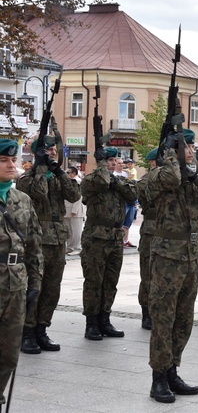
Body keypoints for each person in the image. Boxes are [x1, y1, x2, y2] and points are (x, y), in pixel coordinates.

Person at [146, 129, 198, 403]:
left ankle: (172, 370)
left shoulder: (191, 180)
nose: (193, 150)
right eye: (188, 146)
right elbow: (169, 176)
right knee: (163, 319)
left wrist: (194, 175)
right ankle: (158, 378)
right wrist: (170, 155)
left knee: (183, 320)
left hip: (191, 257)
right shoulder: (159, 176)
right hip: (167, 258)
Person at [17, 138, 80, 354]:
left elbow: (74, 195)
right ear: (37, 154)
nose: (53, 152)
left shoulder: (55, 176)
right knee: (35, 286)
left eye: (54, 149)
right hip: (37, 240)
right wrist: (42, 168)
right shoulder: (27, 178)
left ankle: (42, 329)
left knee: (53, 288)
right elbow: (39, 192)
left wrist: (61, 173)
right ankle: (28, 332)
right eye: (48, 150)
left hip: (57, 238)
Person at [0, 139, 42, 409]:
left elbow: (34, 244)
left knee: (9, 353)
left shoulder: (22, 199)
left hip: (16, 283)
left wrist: (35, 282)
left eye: (13, 160)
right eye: (4, 161)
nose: (11, 164)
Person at [80, 146, 137, 340]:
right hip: (95, 237)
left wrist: (116, 182)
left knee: (110, 281)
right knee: (94, 282)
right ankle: (92, 323)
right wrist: (104, 170)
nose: (113, 163)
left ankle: (105, 319)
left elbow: (132, 195)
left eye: (114, 160)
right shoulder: (92, 180)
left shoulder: (119, 181)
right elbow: (102, 182)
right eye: (109, 160)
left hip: (114, 236)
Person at [136, 148, 159, 330]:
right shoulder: (145, 182)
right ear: (152, 163)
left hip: (166, 233)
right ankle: (146, 313)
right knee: (148, 276)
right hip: (151, 232)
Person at [64, 166, 85, 255]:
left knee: (76, 230)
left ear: (74, 173)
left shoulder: (78, 182)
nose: (67, 174)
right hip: (66, 209)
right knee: (68, 230)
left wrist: (74, 210)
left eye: (68, 172)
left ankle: (77, 247)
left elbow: (79, 198)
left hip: (76, 211)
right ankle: (69, 247)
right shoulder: (67, 182)